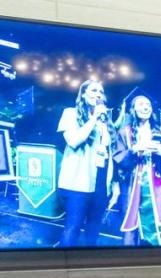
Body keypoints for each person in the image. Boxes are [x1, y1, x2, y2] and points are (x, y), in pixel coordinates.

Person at [112, 89, 161, 245]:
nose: (146, 107)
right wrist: (133, 150)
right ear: (133, 109)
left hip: (160, 183)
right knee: (135, 217)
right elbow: (118, 158)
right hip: (135, 185)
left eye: (148, 105)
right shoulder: (125, 133)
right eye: (141, 104)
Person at [57, 79, 114, 247]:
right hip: (78, 182)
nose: (98, 94)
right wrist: (93, 119)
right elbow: (73, 140)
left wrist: (114, 184)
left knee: (94, 227)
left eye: (101, 92)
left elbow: (110, 152)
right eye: (94, 90)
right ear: (83, 94)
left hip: (101, 182)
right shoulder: (70, 113)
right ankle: (63, 265)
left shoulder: (105, 120)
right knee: (72, 227)